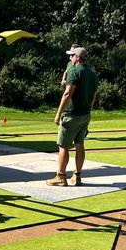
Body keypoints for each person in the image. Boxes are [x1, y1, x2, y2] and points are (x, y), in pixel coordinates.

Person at [47, 45, 99, 187]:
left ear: (77, 58)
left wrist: (58, 114)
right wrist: (88, 110)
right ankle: (77, 176)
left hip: (71, 114)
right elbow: (94, 96)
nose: (70, 58)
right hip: (85, 114)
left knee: (63, 145)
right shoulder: (92, 74)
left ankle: (61, 176)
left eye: (72, 56)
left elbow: (67, 93)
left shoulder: (75, 72)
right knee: (80, 144)